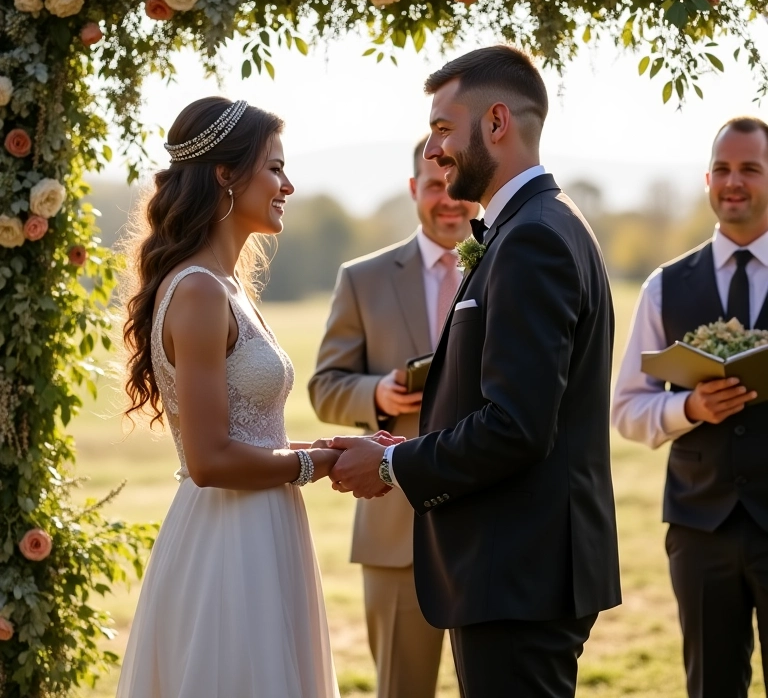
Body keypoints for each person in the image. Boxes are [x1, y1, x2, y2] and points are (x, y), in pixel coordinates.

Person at [326, 45, 622, 698]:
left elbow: (516, 425)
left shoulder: (532, 239)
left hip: (517, 572)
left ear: (495, 124)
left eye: (441, 128)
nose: (434, 151)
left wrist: (392, 467)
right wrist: (403, 445)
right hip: (521, 568)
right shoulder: (534, 224)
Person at [116, 97, 347, 698]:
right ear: (225, 173)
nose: (287, 185)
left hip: (266, 523)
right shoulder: (197, 292)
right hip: (228, 541)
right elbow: (210, 458)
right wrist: (314, 464)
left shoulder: (226, 287)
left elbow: (251, 434)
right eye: (274, 168)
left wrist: (326, 447)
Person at [308, 137, 478, 698]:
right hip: (395, 526)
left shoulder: (508, 266)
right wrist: (377, 391)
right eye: (434, 186)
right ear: (414, 190)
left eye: (457, 186)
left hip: (491, 517)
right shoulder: (363, 278)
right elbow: (325, 387)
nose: (448, 200)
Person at [612, 116, 768, 698]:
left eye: (750, 169)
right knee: (710, 687)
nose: (734, 182)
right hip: (700, 528)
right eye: (723, 170)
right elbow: (627, 408)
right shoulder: (664, 286)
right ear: (707, 179)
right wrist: (690, 409)